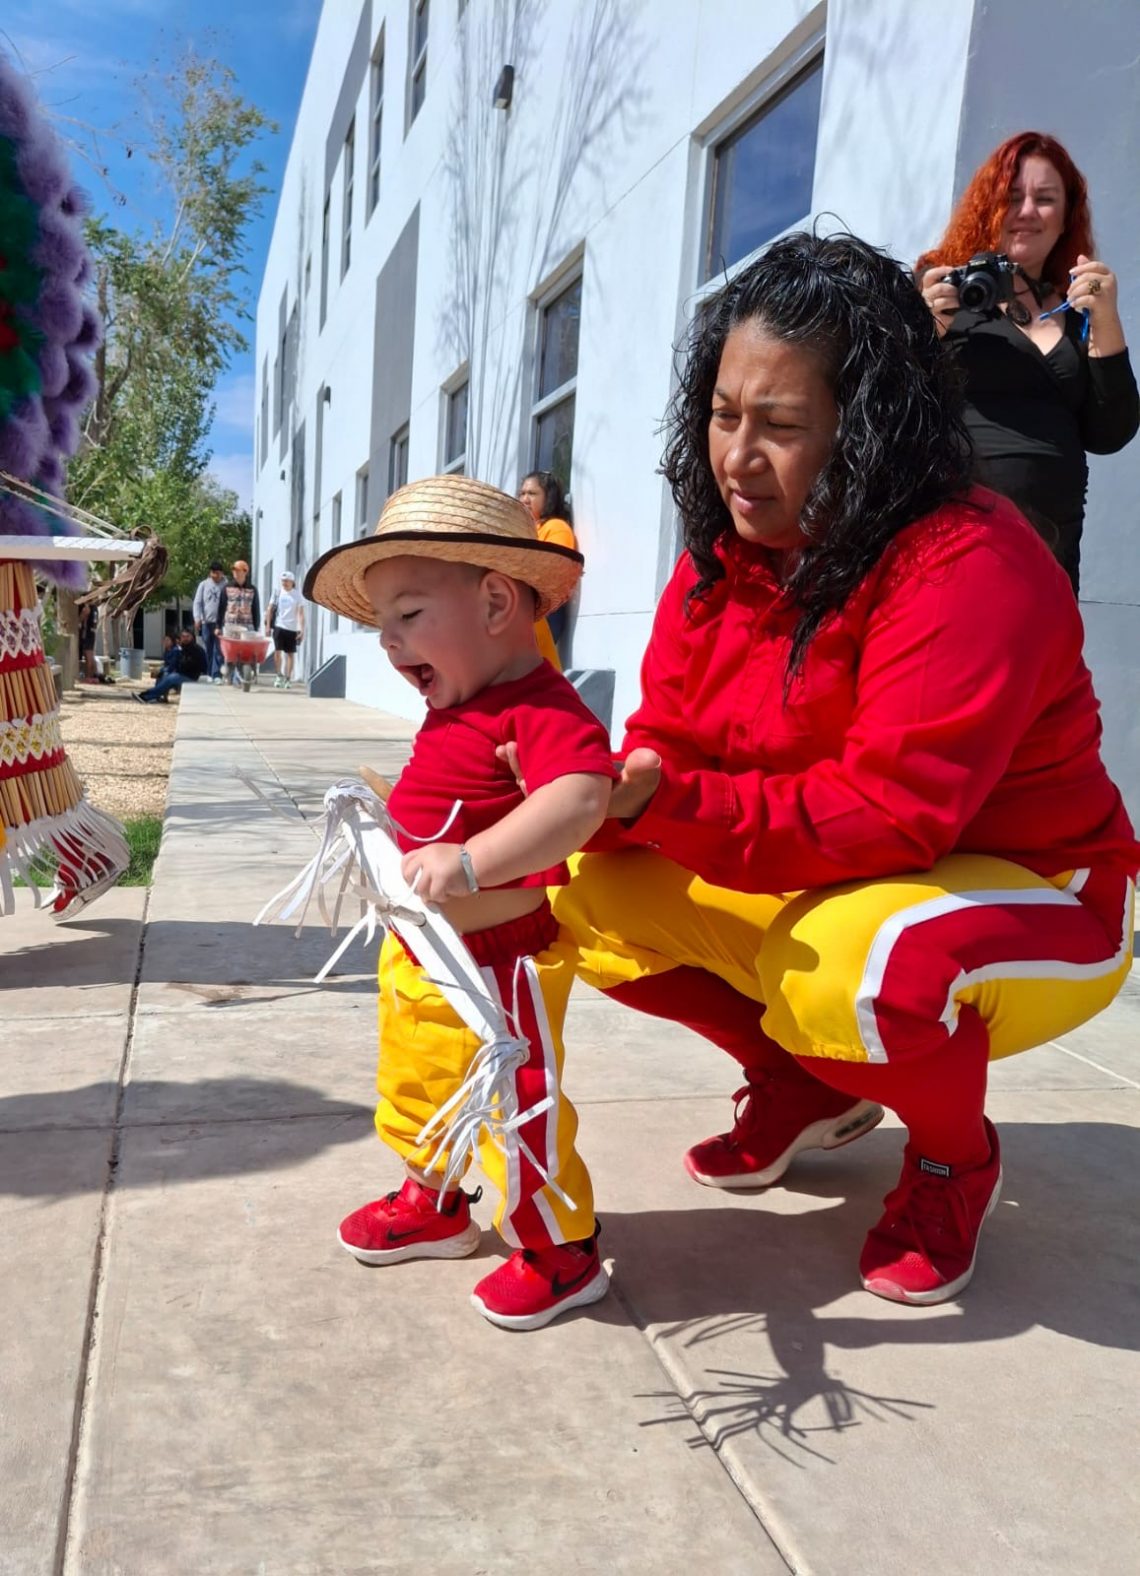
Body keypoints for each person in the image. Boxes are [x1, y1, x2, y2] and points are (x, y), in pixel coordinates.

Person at [545, 231, 1138, 1308]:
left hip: (1043, 894)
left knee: (851, 971)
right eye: (724, 414)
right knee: (576, 891)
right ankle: (803, 1084)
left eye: (780, 426)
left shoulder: (969, 561)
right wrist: (584, 799)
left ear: (871, 425)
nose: (737, 458)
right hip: (860, 874)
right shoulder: (722, 562)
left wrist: (664, 799)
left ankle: (954, 1158)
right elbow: (670, 742)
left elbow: (892, 814)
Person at [303, 474, 617, 1329]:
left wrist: (473, 863)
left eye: (408, 615)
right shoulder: (458, 701)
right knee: (419, 1081)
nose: (389, 641)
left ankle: (561, 1248)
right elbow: (449, 797)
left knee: (515, 1106)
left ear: (495, 603)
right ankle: (435, 1199)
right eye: (382, 624)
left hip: (499, 966)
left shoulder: (538, 708)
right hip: (425, 954)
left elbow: (579, 798)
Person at [916, 131, 1138, 593]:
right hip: (956, 546)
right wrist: (924, 331)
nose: (1027, 211)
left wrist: (1106, 318)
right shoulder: (941, 287)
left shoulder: (1076, 308)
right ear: (990, 206)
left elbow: (1111, 432)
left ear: (1066, 216)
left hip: (1053, 552)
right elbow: (889, 407)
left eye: (1045, 198)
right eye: (1013, 197)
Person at [520, 470, 577, 657]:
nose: (525, 499)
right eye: (522, 493)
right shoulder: (526, 530)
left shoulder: (556, 527)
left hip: (545, 611)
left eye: (532, 493)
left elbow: (555, 570)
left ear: (549, 498)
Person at [216, 559, 261, 687]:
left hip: (247, 626)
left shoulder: (252, 589)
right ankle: (228, 677)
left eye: (238, 570)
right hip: (230, 625)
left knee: (246, 654)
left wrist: (256, 627)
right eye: (234, 570)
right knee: (230, 653)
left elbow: (256, 609)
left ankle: (243, 677)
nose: (235, 573)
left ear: (245, 572)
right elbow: (221, 608)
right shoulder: (227, 588)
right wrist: (218, 626)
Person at [135, 627, 206, 703]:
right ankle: (156, 697)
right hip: (181, 674)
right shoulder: (182, 648)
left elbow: (191, 666)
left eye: (187, 636)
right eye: (183, 636)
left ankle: (145, 696)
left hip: (191, 677)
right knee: (163, 674)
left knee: (170, 678)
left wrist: (178, 665)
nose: (185, 639)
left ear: (192, 637)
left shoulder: (196, 650)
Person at [265, 569, 305, 689]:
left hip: (292, 628)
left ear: (292, 582)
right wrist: (267, 626)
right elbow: (269, 609)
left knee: (290, 654)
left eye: (287, 581)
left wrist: (301, 629)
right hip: (279, 626)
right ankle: (279, 675)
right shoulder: (277, 593)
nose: (284, 583)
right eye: (283, 581)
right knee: (278, 652)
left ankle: (288, 679)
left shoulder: (297, 595)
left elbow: (301, 613)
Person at [192, 561, 227, 682]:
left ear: (222, 573)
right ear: (210, 573)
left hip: (221, 623)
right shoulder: (203, 585)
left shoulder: (226, 586)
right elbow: (197, 602)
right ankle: (209, 673)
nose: (215, 575)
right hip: (206, 622)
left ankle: (217, 675)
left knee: (219, 649)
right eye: (213, 573)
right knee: (208, 648)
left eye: (218, 573)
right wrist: (197, 618)